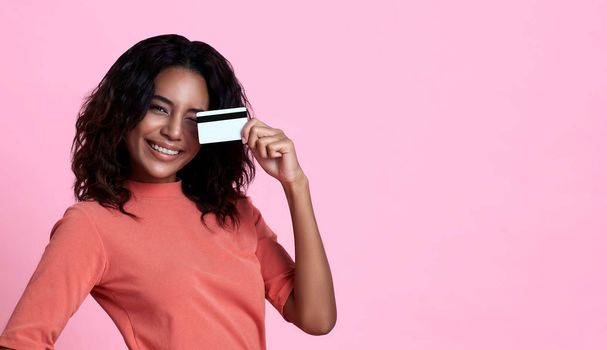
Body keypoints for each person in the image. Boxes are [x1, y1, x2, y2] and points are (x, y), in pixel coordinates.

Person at [0, 34, 336, 350]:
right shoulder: (92, 224)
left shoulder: (235, 211)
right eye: (159, 108)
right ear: (126, 110)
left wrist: (296, 185)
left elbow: (316, 318)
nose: (174, 131)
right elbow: (22, 340)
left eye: (194, 118)